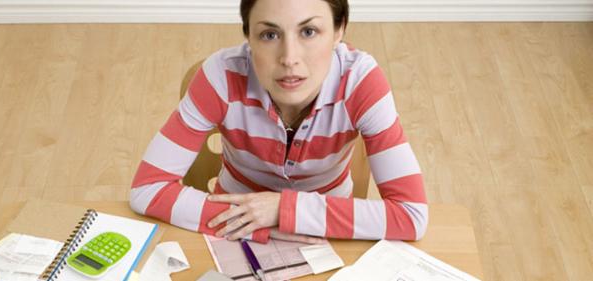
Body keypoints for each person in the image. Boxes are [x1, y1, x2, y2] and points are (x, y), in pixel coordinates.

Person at [129, 0, 427, 244]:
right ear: (248, 37)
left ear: (339, 31)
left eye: (309, 31)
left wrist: (284, 210)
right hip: (234, 229)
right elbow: (147, 189)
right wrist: (259, 224)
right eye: (270, 35)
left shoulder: (361, 81)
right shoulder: (220, 76)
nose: (289, 58)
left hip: (328, 231)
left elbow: (411, 216)